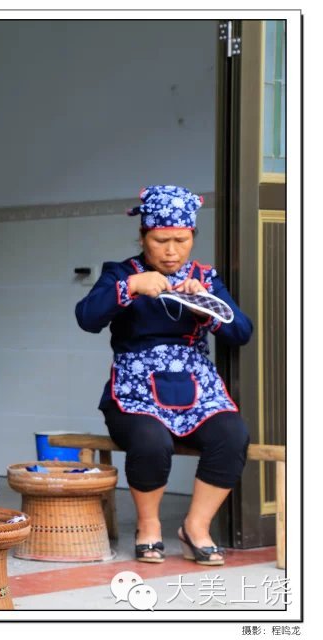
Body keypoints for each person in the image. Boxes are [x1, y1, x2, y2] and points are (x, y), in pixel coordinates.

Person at [75, 185, 253, 566]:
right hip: (134, 394)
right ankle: (149, 526)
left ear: (192, 238)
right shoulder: (121, 272)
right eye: (160, 240)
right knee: (150, 440)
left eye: (181, 240)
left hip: (196, 390)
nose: (171, 250)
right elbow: (87, 318)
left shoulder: (205, 276)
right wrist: (130, 288)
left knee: (232, 433)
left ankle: (196, 528)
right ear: (143, 236)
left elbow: (241, 332)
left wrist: (206, 302)